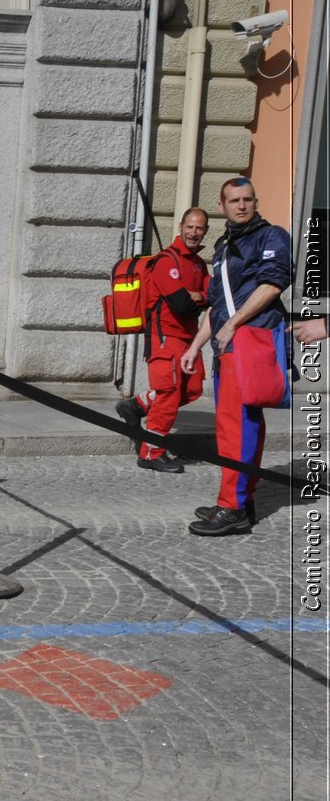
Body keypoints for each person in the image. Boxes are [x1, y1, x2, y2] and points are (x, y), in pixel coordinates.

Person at [180, 178, 293, 536]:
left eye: (247, 199)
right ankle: (239, 500)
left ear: (255, 202)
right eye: (234, 200)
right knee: (233, 427)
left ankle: (234, 508)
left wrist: (233, 324)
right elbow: (216, 303)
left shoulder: (272, 236)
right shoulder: (224, 245)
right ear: (223, 205)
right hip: (228, 343)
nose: (241, 205)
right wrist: (195, 345)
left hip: (252, 338)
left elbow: (273, 284)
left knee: (240, 427)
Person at [115, 207, 212, 473]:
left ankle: (136, 405)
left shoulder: (198, 263)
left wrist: (197, 297)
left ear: (205, 231)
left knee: (191, 390)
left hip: (188, 339)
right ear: (180, 227)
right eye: (190, 227)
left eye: (199, 228)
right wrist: (196, 297)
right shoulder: (166, 261)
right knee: (168, 395)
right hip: (164, 337)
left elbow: (211, 297)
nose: (194, 232)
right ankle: (150, 454)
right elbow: (181, 304)